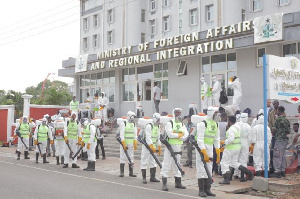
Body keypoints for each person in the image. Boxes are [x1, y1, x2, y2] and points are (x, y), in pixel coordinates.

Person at [219, 116, 253, 184]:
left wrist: (224, 144)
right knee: (235, 163)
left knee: (224, 162)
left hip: (230, 148)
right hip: (237, 148)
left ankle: (226, 179)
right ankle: (249, 173)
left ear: (229, 121)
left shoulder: (231, 129)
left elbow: (231, 139)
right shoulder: (237, 128)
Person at [161, 108, 188, 191]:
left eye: (180, 113)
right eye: (177, 113)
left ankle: (178, 183)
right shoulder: (170, 123)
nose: (179, 115)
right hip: (170, 147)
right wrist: (180, 135)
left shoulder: (182, 124)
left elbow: (186, 135)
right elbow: (170, 135)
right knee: (166, 164)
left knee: (177, 164)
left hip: (178, 147)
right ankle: (164, 184)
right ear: (174, 114)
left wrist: (179, 135)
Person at [195, 106, 220, 197]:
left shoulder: (216, 124)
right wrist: (204, 152)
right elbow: (200, 139)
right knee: (201, 168)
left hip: (210, 147)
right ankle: (201, 190)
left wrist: (217, 150)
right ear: (211, 113)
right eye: (215, 113)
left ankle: (207, 189)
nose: (217, 115)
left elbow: (216, 139)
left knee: (209, 168)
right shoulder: (203, 124)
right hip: (201, 148)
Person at [140, 113, 161, 184]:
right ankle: (144, 178)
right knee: (144, 161)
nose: (159, 121)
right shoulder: (149, 126)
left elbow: (158, 137)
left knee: (153, 162)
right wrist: (151, 146)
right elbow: (148, 137)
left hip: (153, 147)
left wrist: (159, 146)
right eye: (158, 119)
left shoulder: (157, 126)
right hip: (147, 146)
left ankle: (152, 177)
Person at [270, 106, 290, 178]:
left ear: (279, 111)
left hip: (279, 139)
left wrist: (274, 134)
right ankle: (283, 170)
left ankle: (277, 171)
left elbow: (274, 129)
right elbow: (288, 131)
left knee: (277, 155)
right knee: (283, 155)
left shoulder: (277, 119)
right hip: (285, 139)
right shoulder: (287, 120)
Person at [119, 111, 138, 177]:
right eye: (132, 117)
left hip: (131, 144)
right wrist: (123, 143)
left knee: (131, 157)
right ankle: (122, 172)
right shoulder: (124, 123)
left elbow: (135, 134)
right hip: (125, 143)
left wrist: (135, 142)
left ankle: (131, 172)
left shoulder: (134, 124)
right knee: (122, 157)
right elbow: (122, 135)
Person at [236, 113, 252, 181]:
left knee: (236, 159)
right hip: (244, 142)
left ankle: (236, 174)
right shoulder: (248, 126)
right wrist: (248, 145)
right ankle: (242, 176)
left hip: (237, 143)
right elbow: (250, 138)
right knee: (243, 159)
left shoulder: (237, 125)